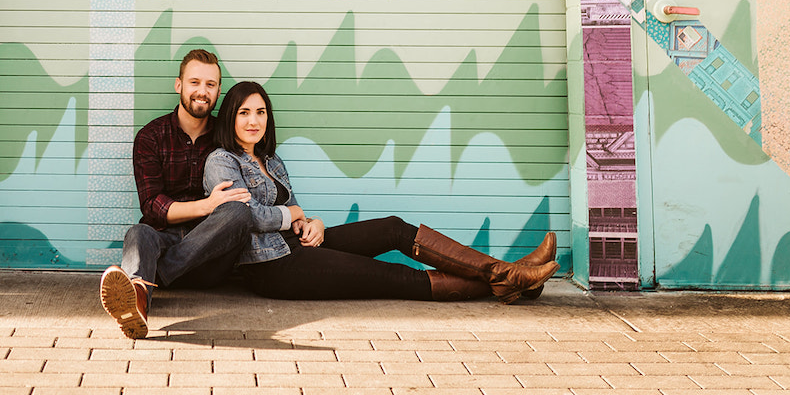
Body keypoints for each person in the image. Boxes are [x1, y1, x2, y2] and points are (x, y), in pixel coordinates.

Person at [203, 81, 559, 304]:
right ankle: (513, 276)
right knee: (395, 276)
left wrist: (311, 221)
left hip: (299, 246)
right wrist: (293, 215)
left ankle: (508, 274)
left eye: (261, 112)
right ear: (229, 118)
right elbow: (245, 216)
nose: (254, 120)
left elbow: (292, 207)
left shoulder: (269, 158)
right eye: (244, 112)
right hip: (272, 267)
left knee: (392, 227)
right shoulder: (221, 161)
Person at [99, 49, 253, 339]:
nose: (202, 91)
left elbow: (260, 180)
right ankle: (139, 304)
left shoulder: (229, 134)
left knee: (238, 212)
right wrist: (207, 205)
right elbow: (153, 205)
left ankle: (152, 277)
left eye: (210, 85)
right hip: (163, 240)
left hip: (210, 256)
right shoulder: (150, 137)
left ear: (219, 91)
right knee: (138, 232)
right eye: (195, 82)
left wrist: (296, 215)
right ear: (179, 85)